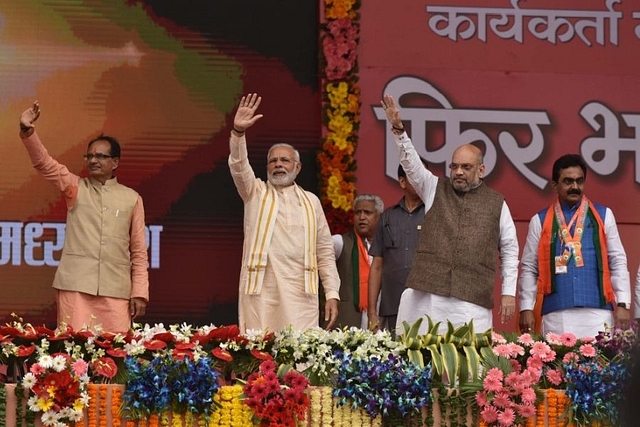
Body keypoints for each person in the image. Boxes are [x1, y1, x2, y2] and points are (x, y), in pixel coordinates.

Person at [381, 94, 519, 334]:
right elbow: (411, 164)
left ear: (481, 170)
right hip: (428, 298)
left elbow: (509, 250)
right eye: (454, 166)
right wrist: (399, 130)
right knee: (421, 363)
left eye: (466, 167)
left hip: (471, 301)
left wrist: (508, 293)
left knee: (467, 368)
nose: (458, 172)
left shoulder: (497, 203)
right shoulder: (434, 188)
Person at [19, 101, 149, 333]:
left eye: (100, 156)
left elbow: (139, 253)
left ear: (115, 162)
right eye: (89, 156)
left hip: (115, 291)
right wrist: (28, 131)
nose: (93, 160)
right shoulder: (75, 187)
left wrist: (139, 292)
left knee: (116, 360)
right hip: (76, 289)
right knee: (73, 359)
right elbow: (44, 164)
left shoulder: (132, 198)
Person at [228, 93, 340, 332]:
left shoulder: (311, 201)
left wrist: (331, 293)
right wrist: (238, 133)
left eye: (285, 161)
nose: (278, 164)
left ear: (297, 167)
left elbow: (325, 252)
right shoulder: (255, 192)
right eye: (273, 161)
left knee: (299, 360)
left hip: (301, 294)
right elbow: (239, 167)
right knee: (260, 357)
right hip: (262, 293)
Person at [518, 154, 631, 337]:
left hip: (598, 311)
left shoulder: (603, 216)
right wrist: (525, 308)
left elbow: (617, 261)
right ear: (554, 185)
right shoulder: (539, 220)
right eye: (568, 181)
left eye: (579, 181)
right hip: (557, 312)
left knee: (599, 365)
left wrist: (623, 303)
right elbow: (530, 268)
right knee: (558, 365)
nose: (575, 187)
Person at [367, 164, 426, 336]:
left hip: (426, 305)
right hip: (393, 304)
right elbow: (377, 266)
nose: (420, 180)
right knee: (394, 358)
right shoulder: (387, 217)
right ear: (402, 181)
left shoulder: (435, 214)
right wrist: (372, 312)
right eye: (415, 176)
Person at [332, 194, 383, 329]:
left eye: (367, 213)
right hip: (347, 326)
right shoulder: (340, 242)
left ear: (379, 216)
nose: (361, 217)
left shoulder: (388, 248)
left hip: (381, 323)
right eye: (357, 212)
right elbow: (319, 250)